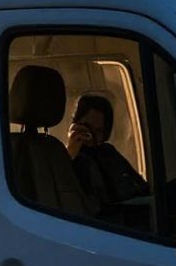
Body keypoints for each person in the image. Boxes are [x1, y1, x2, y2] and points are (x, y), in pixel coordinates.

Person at [64, 94, 149, 224]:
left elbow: (140, 187)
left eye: (98, 131)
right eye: (87, 127)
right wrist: (70, 155)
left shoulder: (108, 153)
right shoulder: (65, 160)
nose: (91, 135)